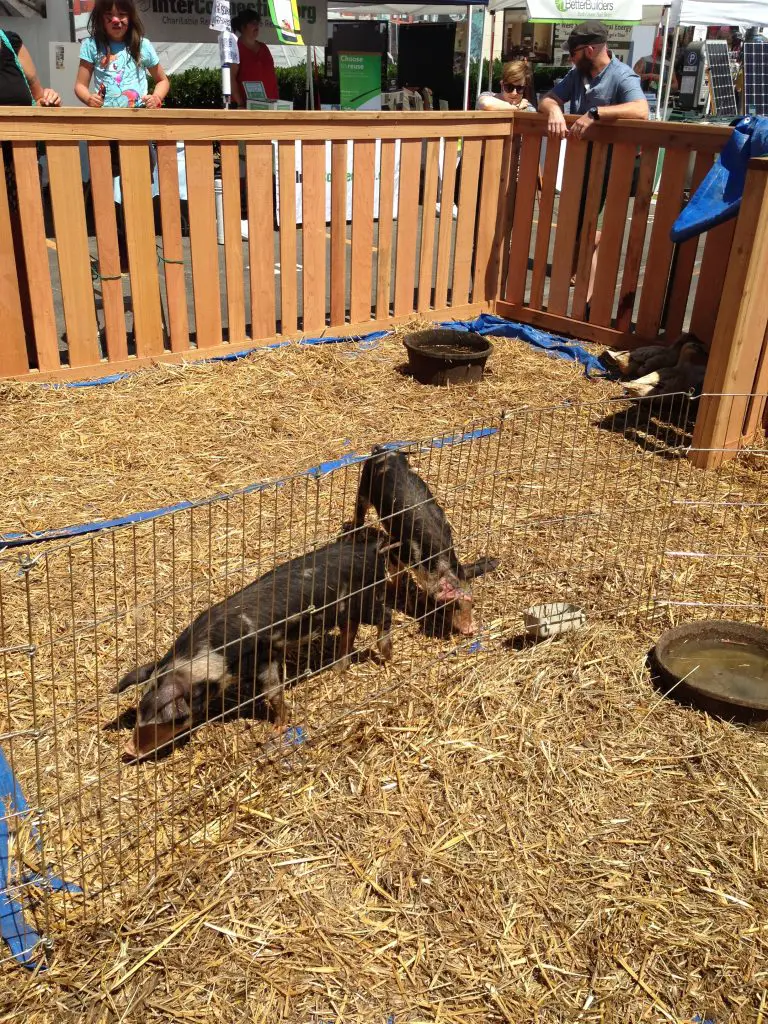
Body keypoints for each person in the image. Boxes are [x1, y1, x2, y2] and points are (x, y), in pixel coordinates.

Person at [538, 21, 648, 304]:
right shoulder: (578, 75)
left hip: (614, 170)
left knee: (594, 234)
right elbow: (548, 99)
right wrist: (554, 112)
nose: (570, 59)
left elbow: (641, 110)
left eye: (573, 53)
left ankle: (586, 304)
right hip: (583, 166)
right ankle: (576, 286)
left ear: (589, 49)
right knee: (578, 227)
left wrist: (596, 113)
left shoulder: (622, 76)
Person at [75, 0, 169, 109]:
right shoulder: (92, 45)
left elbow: (162, 81)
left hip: (138, 116)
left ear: (130, 17)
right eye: (109, 15)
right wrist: (88, 98)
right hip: (106, 118)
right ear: (100, 18)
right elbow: (80, 85)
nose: (115, 20)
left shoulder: (142, 45)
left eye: (122, 14)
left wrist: (156, 97)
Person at [231, 9, 278, 106]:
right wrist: (240, 103)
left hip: (271, 105)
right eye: (252, 23)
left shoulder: (264, 48)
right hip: (247, 107)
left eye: (257, 23)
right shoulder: (235, 49)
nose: (257, 26)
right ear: (243, 27)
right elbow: (231, 78)